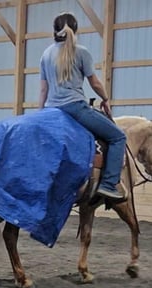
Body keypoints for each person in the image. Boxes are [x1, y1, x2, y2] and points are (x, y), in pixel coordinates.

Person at [38, 12, 126, 200]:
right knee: (118, 137)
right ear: (76, 30)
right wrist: (105, 98)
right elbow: (94, 83)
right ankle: (109, 184)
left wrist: (41, 114)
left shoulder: (46, 54)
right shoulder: (82, 52)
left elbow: (43, 90)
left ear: (55, 31)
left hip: (51, 110)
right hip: (75, 108)